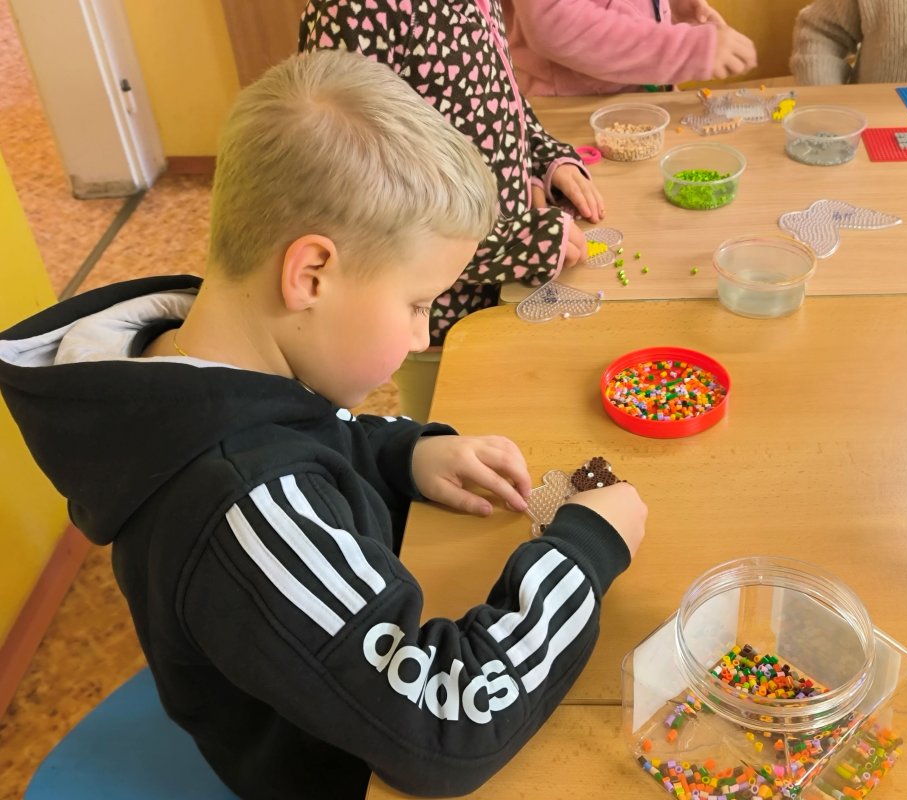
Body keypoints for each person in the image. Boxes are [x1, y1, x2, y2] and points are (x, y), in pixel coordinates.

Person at [0, 51, 647, 799]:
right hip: (331, 771)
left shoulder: (199, 362)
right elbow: (445, 728)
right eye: (416, 303)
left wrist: (405, 455)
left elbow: (301, 430)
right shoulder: (241, 505)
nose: (421, 332)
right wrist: (582, 554)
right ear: (310, 274)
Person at [300, 0, 606, 421]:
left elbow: (500, 95)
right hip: (440, 318)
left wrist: (543, 155)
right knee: (446, 439)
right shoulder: (355, 8)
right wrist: (512, 243)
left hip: (504, 291)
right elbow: (354, 197)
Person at [502, 0, 758, 96]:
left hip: (639, 99)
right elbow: (552, 22)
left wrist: (671, 7)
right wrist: (686, 48)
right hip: (571, 114)